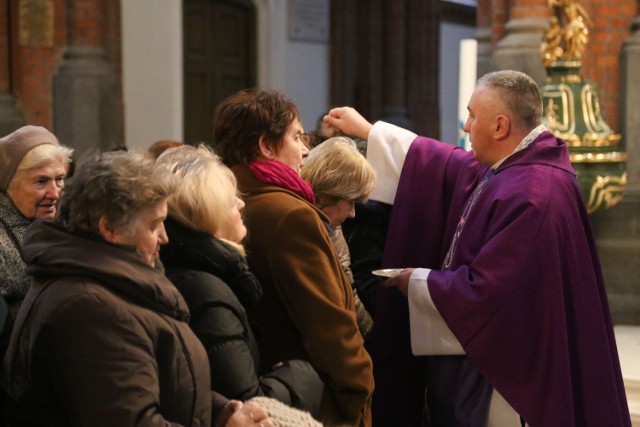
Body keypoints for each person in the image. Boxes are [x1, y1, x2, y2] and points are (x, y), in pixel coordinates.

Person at [324, 70, 631, 426]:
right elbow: (448, 162)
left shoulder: (533, 193)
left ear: (500, 127)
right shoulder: (514, 168)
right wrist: (370, 132)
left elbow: (490, 293)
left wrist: (417, 281)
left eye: (472, 116)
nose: (466, 126)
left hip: (514, 374)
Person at [2, 149, 272, 427]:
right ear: (110, 229)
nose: (165, 238)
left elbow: (157, 382)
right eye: (154, 225)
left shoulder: (106, 283)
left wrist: (220, 412)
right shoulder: (88, 306)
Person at [212, 89, 374, 427]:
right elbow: (330, 327)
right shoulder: (291, 214)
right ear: (266, 147)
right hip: (311, 401)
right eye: (297, 137)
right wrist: (361, 391)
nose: (305, 150)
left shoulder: (229, 201)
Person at [157, 144, 324, 417]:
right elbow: (248, 406)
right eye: (231, 198)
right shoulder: (208, 291)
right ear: (208, 212)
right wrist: (301, 375)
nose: (241, 203)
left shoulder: (197, 272)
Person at [0, 126, 73, 362]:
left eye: (60, 179)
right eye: (41, 182)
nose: (54, 193)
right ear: (7, 183)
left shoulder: (70, 227)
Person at [300, 136, 376, 340]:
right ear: (328, 193)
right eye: (350, 202)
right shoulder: (303, 230)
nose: (352, 213)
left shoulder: (331, 226)